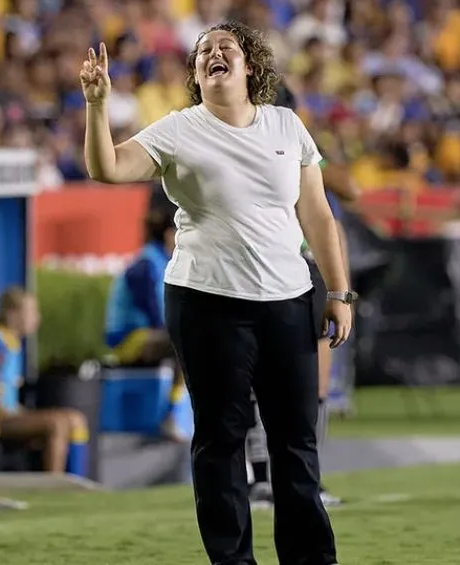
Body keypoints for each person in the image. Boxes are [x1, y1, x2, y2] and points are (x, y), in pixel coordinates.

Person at [81, 21, 354, 565]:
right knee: (221, 440)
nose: (213, 53)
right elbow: (106, 168)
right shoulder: (178, 129)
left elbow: (318, 216)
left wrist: (340, 292)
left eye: (226, 47)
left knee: (296, 441)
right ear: (198, 72)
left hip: (287, 301)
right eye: (204, 50)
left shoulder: (286, 124)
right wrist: (97, 105)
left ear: (250, 66)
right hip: (207, 302)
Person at [245, 82, 348, 510]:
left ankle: (263, 481)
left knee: (259, 382)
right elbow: (348, 194)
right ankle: (303, 481)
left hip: (264, 268)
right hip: (297, 267)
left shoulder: (243, 145)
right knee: (308, 383)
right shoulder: (295, 146)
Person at [103, 210, 188, 441]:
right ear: (169, 235)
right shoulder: (145, 265)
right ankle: (170, 414)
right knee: (185, 342)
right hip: (127, 339)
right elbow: (156, 317)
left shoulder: (164, 262)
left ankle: (181, 412)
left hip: (148, 334)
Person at [0, 288, 89, 475]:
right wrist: (21, 416)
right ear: (12, 314)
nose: (37, 318)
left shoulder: (14, 344)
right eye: (31, 312)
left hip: (12, 413)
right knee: (56, 423)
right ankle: (53, 482)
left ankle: (77, 481)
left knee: (75, 420)